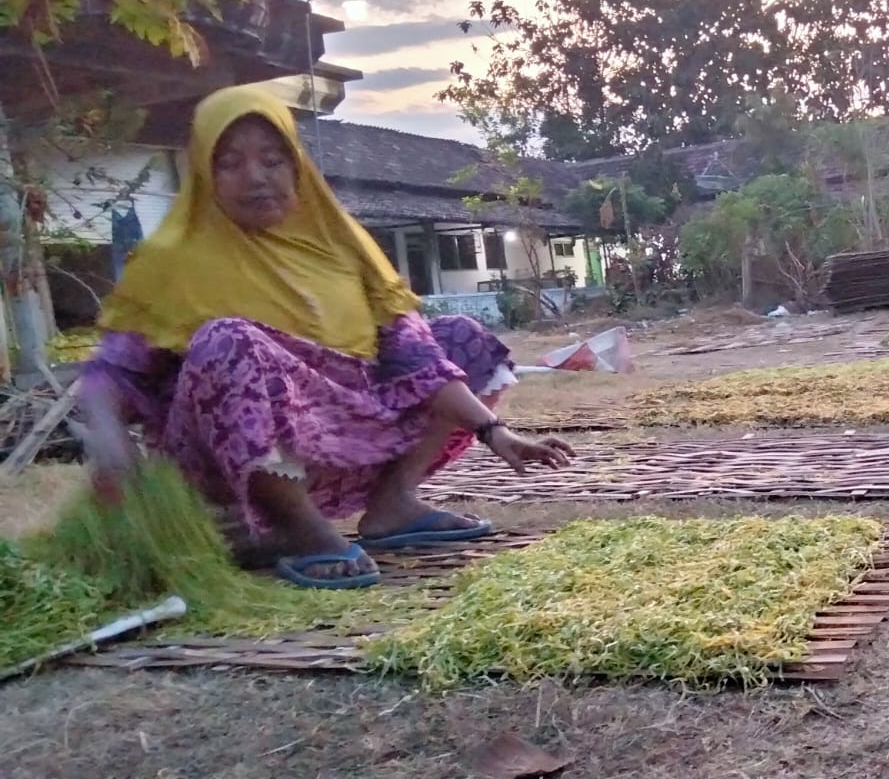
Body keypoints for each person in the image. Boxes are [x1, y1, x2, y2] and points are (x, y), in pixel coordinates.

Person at [80, 85, 573, 589]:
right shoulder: (172, 257)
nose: (255, 177)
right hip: (228, 463)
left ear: (296, 166)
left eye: (272, 160)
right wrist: (111, 449)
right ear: (205, 173)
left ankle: (392, 505)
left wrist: (495, 432)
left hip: (341, 441)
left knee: (460, 337)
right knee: (227, 340)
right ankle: (298, 529)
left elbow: (417, 355)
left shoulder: (340, 242)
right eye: (229, 163)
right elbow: (108, 374)